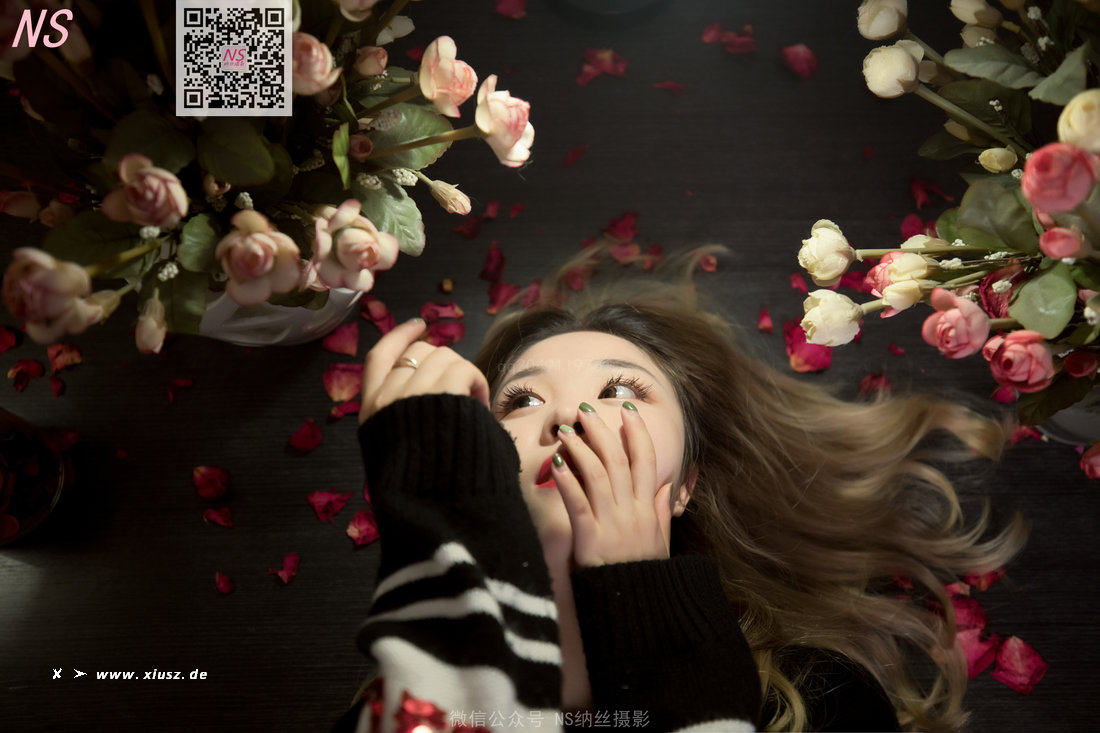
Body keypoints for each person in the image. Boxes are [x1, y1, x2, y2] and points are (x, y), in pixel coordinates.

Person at [333, 245, 1028, 733]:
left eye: (620, 390)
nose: (569, 415)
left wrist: (640, 594)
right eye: (520, 401)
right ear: (480, 465)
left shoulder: (818, 700)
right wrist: (435, 535)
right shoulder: (405, 689)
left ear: (682, 487)